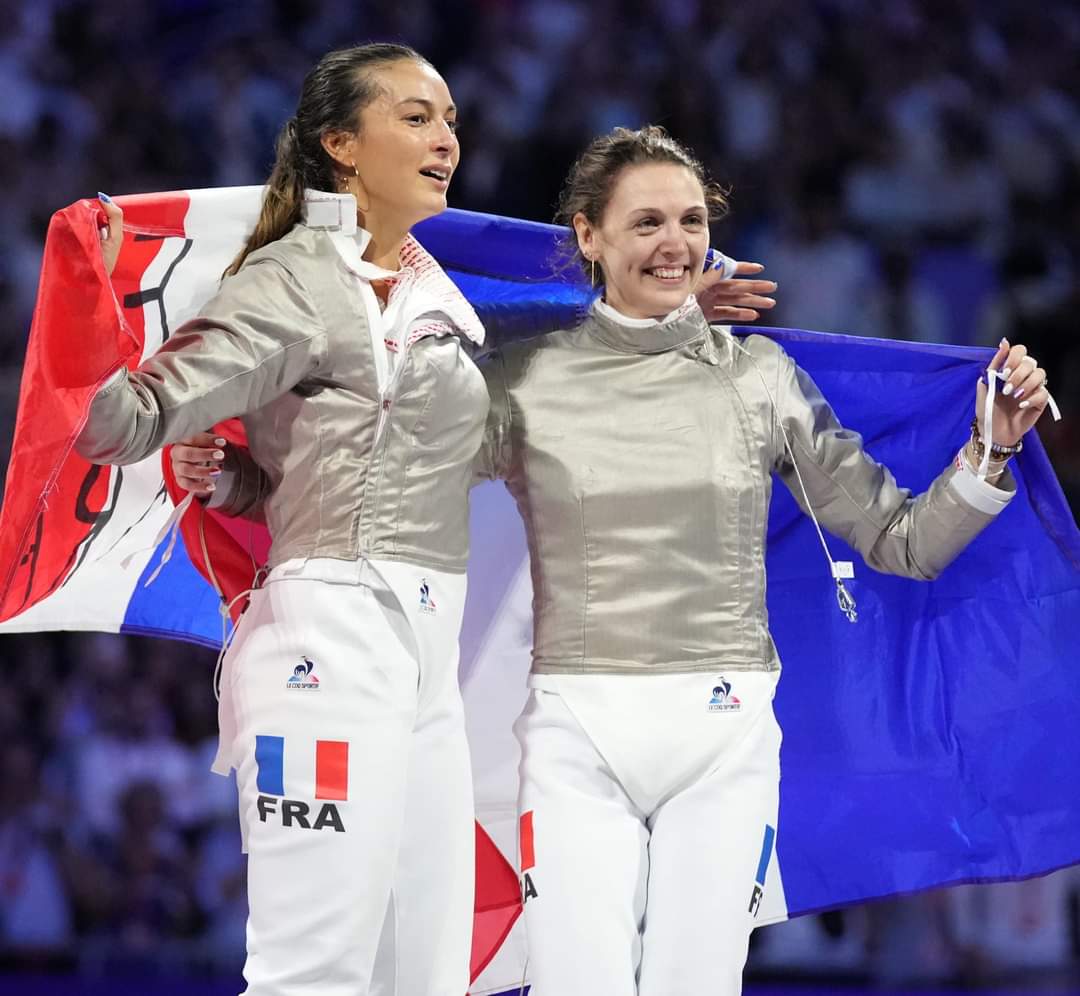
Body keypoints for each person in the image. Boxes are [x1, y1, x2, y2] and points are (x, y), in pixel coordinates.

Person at [175, 125, 1052, 993]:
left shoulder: (762, 380)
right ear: (588, 237)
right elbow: (383, 480)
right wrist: (239, 483)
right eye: (646, 223)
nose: (675, 244)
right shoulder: (524, 380)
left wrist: (991, 454)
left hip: (726, 734)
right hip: (574, 736)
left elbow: (901, 544)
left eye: (691, 221)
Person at [79, 41, 489, 996]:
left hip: (431, 662)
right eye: (417, 117)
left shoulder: (437, 291)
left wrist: (660, 318)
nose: (447, 140)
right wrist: (99, 309)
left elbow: (329, 466)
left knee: (427, 980)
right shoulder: (296, 278)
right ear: (342, 146)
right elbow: (125, 419)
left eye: (453, 121)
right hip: (328, 646)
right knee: (314, 974)